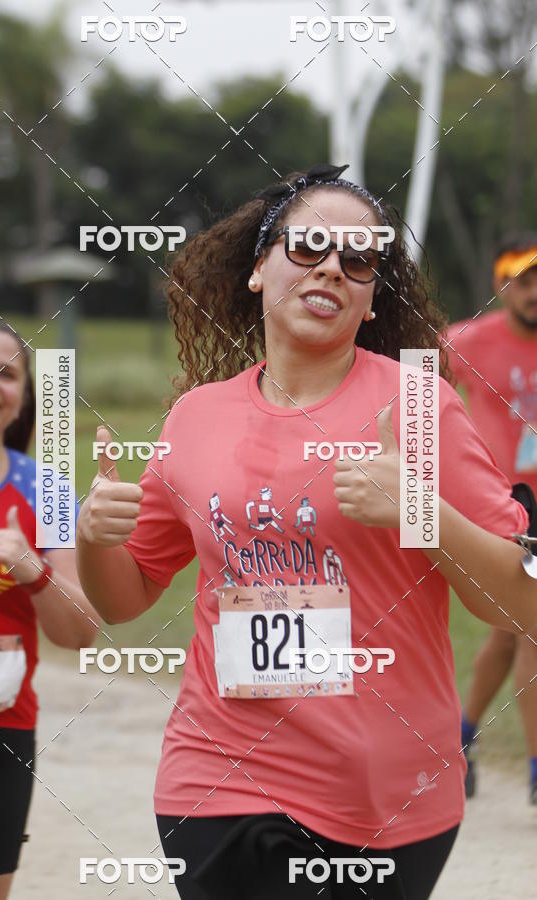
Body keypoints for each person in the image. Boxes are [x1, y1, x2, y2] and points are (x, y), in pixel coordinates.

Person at [77, 164, 537, 899]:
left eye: (359, 260)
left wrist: (418, 508)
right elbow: (123, 599)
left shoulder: (418, 407)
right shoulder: (197, 418)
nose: (331, 266)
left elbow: (519, 604)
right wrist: (96, 536)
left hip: (385, 794)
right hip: (216, 772)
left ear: (368, 299)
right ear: (260, 267)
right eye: (308, 246)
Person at [0, 320, 100, 900]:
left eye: (7, 373)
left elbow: (81, 633)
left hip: (2, 734)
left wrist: (35, 571)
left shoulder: (47, 493)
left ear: (23, 400)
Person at [447, 234, 537, 803]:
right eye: (525, 281)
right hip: (506, 506)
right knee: (529, 630)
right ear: (501, 285)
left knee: (511, 635)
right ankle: (535, 767)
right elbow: (410, 392)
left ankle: (459, 737)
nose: (536, 293)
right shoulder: (466, 341)